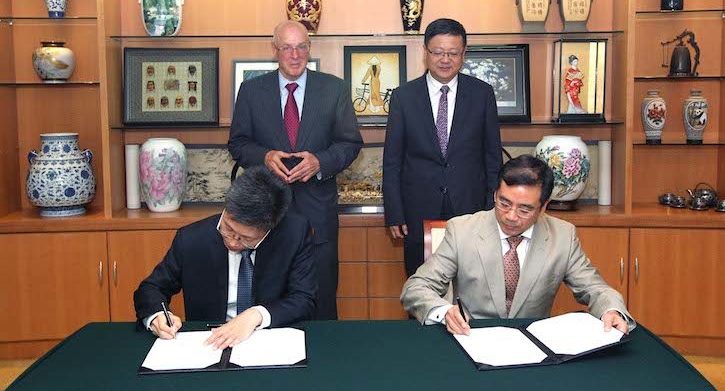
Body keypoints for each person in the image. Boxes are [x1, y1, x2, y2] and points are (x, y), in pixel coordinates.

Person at [400, 154, 634, 336]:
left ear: (543, 207)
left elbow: (595, 288)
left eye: (524, 209)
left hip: (534, 347)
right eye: (504, 203)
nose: (511, 216)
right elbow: (416, 287)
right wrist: (444, 312)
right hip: (471, 338)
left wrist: (610, 310)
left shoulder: (563, 236)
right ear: (495, 194)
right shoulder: (462, 230)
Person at [228, 20, 363, 320]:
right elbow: (238, 143)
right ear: (274, 50)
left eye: (301, 47)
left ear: (309, 48)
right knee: (268, 300)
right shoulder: (251, 91)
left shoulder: (334, 88)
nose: (294, 55)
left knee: (322, 299)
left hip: (317, 214)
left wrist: (320, 162)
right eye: (287, 48)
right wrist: (264, 157)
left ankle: (327, 362)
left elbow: (350, 143)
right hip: (266, 215)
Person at [133, 166, 317, 348]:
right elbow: (151, 288)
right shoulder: (191, 239)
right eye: (228, 228)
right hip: (211, 343)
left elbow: (304, 299)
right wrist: (156, 315)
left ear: (270, 228)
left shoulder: (294, 234)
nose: (233, 242)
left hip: (266, 341)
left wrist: (257, 315)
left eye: (246, 238)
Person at [383, 18, 502, 277]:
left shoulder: (482, 94)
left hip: (471, 210)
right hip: (418, 210)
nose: (445, 59)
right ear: (425, 53)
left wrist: (492, 210)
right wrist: (394, 212)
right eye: (438, 52)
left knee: (473, 285)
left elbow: (492, 158)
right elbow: (392, 161)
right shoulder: (404, 97)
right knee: (421, 285)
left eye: (453, 53)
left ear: (464, 54)